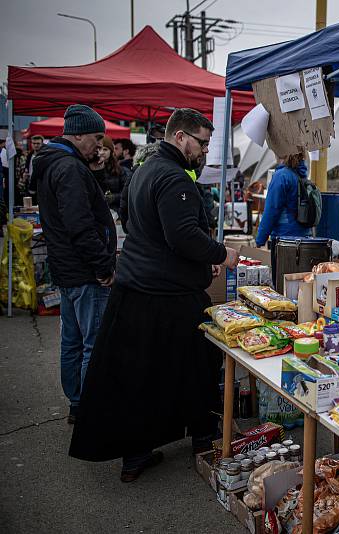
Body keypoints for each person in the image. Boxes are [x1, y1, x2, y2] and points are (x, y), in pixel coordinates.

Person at [69, 108, 238, 482]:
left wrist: (194, 259)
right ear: (179, 137)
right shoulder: (174, 177)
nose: (205, 152)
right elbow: (183, 237)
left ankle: (137, 454)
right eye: (202, 143)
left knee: (139, 378)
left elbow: (134, 223)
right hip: (167, 295)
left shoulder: (145, 168)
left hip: (138, 288)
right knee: (194, 370)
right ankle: (203, 439)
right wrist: (219, 254)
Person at [33, 104, 115, 425]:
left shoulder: (57, 162)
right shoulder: (67, 168)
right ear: (78, 133)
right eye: (96, 137)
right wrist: (102, 267)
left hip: (67, 269)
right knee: (91, 342)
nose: (99, 144)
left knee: (73, 340)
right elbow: (80, 224)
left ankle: (78, 403)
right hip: (83, 271)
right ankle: (87, 406)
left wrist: (91, 167)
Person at [254, 153, 312, 246]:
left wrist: (259, 240)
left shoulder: (281, 176)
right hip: (304, 236)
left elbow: (271, 211)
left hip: (284, 239)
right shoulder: (301, 175)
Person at [118, 142, 159, 232]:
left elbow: (124, 205)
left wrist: (128, 229)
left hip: (136, 234)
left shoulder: (134, 173)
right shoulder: (164, 174)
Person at [90, 135, 130, 214]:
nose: (101, 152)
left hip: (115, 213)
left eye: (105, 149)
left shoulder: (120, 171)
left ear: (111, 151)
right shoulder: (89, 168)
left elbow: (127, 193)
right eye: (99, 149)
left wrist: (113, 198)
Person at [24, 135, 44, 203]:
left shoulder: (45, 156)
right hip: (30, 185)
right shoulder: (29, 155)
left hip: (41, 186)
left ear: (42, 144)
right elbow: (27, 168)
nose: (36, 145)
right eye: (34, 143)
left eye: (38, 143)